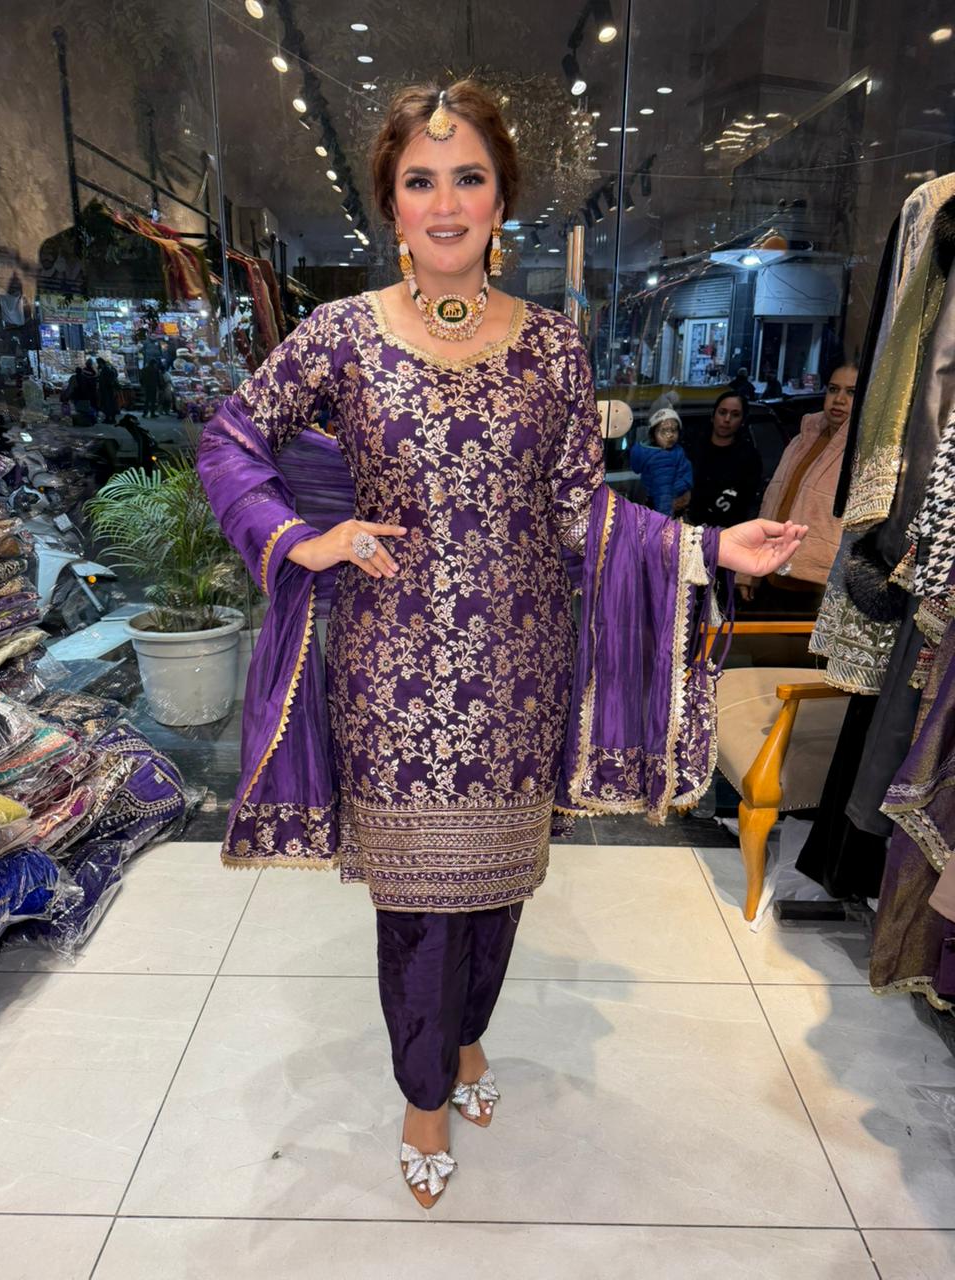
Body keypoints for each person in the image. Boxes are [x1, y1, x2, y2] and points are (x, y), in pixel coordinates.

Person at [196, 80, 803, 1210]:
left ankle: (468, 1033)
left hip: (522, 671)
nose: (444, 203)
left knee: (497, 887)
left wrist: (712, 547)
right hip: (390, 671)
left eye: (467, 177)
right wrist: (301, 538)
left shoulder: (555, 349)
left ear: (500, 199)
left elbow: (581, 511)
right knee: (419, 900)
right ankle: (424, 1091)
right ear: (391, 204)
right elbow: (229, 439)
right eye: (420, 181)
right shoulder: (340, 335)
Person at [737, 363, 857, 611]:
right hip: (772, 577)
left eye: (851, 392)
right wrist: (750, 569)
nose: (839, 399)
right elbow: (771, 507)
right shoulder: (802, 441)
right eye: (833, 389)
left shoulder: (863, 454)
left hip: (818, 591)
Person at [684, 390, 763, 527]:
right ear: (713, 415)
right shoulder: (692, 448)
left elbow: (746, 503)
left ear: (742, 420)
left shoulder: (748, 458)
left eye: (735, 415)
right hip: (688, 527)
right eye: (722, 412)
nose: (727, 419)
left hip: (728, 531)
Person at [628, 405, 693, 516]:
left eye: (673, 430)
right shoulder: (662, 459)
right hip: (666, 507)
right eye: (663, 431)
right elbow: (663, 494)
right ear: (653, 435)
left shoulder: (675, 450)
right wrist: (666, 520)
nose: (670, 435)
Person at [97, 356, 120, 423]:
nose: (98, 365)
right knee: (109, 404)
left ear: (101, 363)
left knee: (108, 404)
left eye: (98, 363)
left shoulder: (106, 370)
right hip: (108, 390)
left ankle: (110, 418)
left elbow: (107, 381)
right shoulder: (106, 369)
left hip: (107, 390)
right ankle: (110, 418)